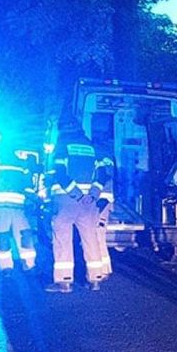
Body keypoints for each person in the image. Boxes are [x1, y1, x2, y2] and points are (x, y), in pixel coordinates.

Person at [45, 123, 108, 292]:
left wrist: (77, 194)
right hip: (89, 203)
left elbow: (60, 174)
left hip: (67, 199)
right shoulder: (93, 149)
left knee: (62, 239)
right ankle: (95, 279)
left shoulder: (63, 147)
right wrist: (92, 195)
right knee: (91, 238)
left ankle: (64, 282)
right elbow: (103, 175)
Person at [0, 164, 37, 273]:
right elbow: (28, 187)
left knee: (5, 238)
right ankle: (27, 265)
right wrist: (32, 201)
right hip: (14, 208)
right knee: (23, 237)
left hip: (3, 208)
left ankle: (8, 267)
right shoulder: (20, 167)